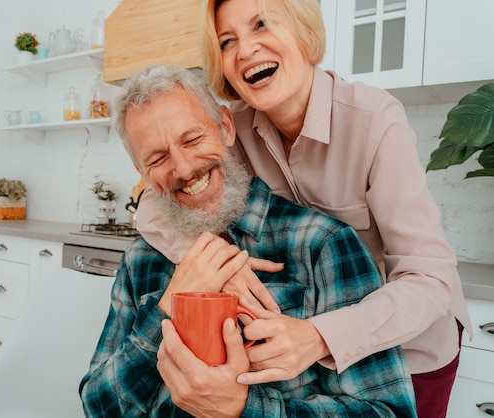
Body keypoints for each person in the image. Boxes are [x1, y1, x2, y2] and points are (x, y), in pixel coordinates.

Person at [135, 0, 472, 416]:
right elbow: (150, 202)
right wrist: (211, 263)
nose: (246, 50)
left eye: (261, 25)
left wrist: (318, 337)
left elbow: (429, 277)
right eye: (227, 42)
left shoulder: (374, 119)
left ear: (302, 29)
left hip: (409, 343)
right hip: (303, 347)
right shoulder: (230, 127)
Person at [80, 64, 417, 417]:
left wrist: (245, 408)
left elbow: (389, 411)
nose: (181, 169)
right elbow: (97, 407)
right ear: (142, 172)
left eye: (192, 139)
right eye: (157, 158)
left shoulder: (322, 244)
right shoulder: (140, 259)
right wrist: (166, 309)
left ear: (225, 127)